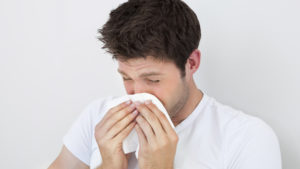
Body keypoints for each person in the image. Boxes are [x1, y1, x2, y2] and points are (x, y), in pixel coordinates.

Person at [48, 0, 282, 169]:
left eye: (152, 80)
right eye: (126, 78)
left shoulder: (246, 138)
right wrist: (108, 165)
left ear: (191, 63)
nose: (136, 92)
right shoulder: (98, 117)